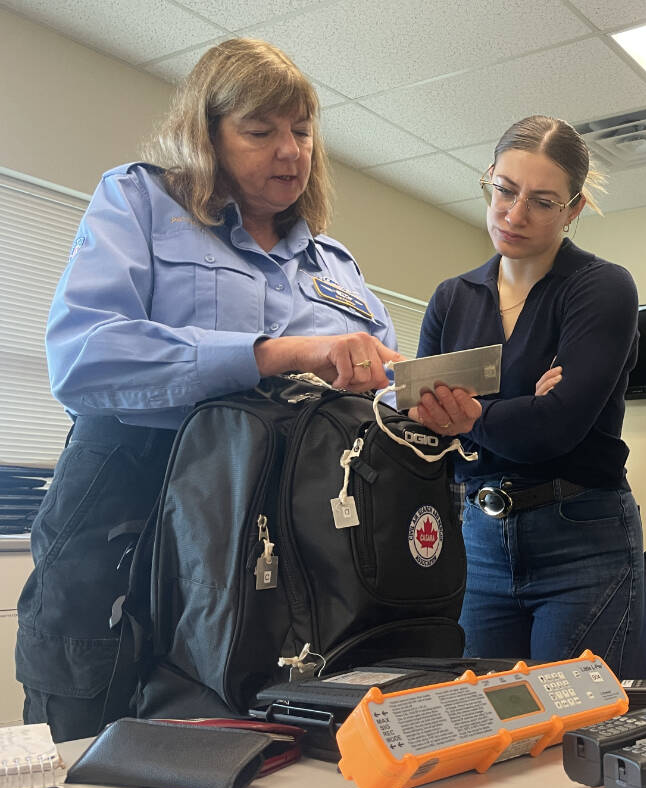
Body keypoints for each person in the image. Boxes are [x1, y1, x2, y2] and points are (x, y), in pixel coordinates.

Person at [14, 38, 448, 742]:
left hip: (283, 554)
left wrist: (425, 413)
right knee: (94, 751)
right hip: (132, 521)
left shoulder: (335, 264)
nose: (290, 151)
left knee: (260, 749)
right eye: (261, 130)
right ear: (207, 133)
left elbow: (375, 400)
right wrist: (277, 353)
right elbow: (84, 357)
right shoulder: (141, 201)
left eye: (302, 132)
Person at [411, 115, 643, 672]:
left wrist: (470, 415)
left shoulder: (601, 287)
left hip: (580, 538)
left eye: (542, 202)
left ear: (574, 209)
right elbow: (419, 427)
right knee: (485, 722)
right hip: (478, 542)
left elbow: (555, 428)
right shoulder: (452, 299)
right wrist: (519, 406)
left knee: (575, 725)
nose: (514, 215)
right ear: (489, 177)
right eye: (506, 191)